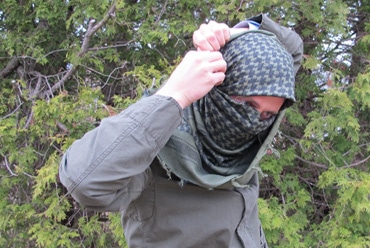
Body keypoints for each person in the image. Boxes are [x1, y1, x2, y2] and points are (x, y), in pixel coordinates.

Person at [58, 14, 303, 247]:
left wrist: (234, 34)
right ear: (217, 86)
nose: (253, 123)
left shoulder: (267, 90)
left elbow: (292, 48)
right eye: (246, 105)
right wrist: (174, 94)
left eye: (267, 115)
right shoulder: (157, 149)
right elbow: (83, 181)